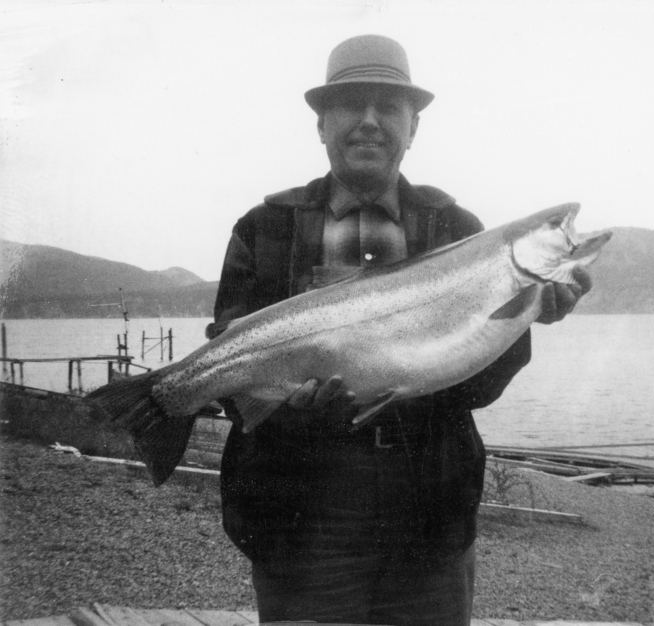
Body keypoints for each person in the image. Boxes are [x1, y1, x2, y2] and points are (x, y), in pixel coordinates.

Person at [211, 34, 591, 626]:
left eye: (388, 107)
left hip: (428, 520)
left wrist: (526, 315)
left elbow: (477, 387)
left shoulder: (460, 230)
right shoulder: (266, 228)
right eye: (350, 105)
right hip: (302, 521)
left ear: (413, 127)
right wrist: (295, 409)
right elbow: (234, 373)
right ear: (321, 124)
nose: (370, 121)